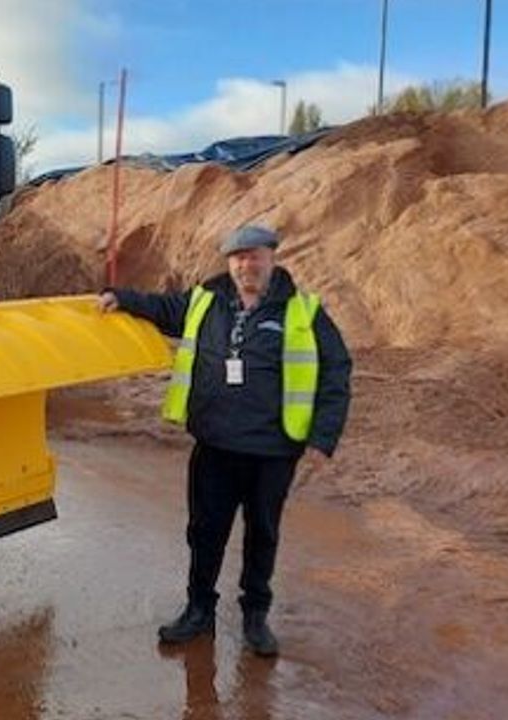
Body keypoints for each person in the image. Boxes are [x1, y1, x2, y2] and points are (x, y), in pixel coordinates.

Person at [98, 224, 351, 656]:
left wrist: (322, 436)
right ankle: (199, 610)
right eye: (238, 257)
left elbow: (336, 371)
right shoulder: (206, 300)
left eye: (254, 256)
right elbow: (163, 308)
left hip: (273, 450)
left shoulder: (303, 310)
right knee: (205, 532)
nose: (245, 265)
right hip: (214, 445)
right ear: (229, 263)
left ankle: (255, 615)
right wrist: (120, 297)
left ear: (271, 258)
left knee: (262, 534)